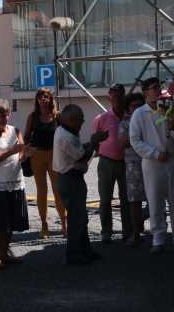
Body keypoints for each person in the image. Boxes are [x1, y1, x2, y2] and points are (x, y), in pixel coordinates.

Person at [53, 104, 108, 265]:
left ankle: (84, 250)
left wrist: (91, 143)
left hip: (70, 177)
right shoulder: (66, 137)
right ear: (71, 120)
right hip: (70, 178)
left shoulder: (63, 130)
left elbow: (80, 151)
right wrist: (94, 141)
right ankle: (75, 254)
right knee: (77, 218)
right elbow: (82, 156)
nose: (82, 122)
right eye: (81, 119)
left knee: (80, 217)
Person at [0, 99, 32, 269]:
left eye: (4, 116)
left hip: (15, 181)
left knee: (10, 222)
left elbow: (20, 155)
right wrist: (11, 151)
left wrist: (26, 154)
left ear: (9, 115)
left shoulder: (15, 131)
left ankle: (5, 254)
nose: (1, 119)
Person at [129, 77, 174, 254]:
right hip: (152, 163)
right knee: (155, 201)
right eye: (154, 88)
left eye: (159, 87)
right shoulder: (139, 114)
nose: (158, 90)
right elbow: (135, 140)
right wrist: (155, 153)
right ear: (145, 92)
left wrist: (171, 125)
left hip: (171, 160)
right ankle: (158, 238)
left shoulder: (170, 108)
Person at [24, 88, 66, 238]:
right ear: (37, 99)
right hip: (38, 156)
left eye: (47, 96)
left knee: (58, 190)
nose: (44, 99)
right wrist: (29, 149)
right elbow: (26, 136)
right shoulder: (33, 117)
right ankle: (44, 224)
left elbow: (65, 135)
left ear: (51, 99)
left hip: (55, 155)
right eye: (41, 96)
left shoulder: (57, 116)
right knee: (41, 191)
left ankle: (64, 223)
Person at [93, 83, 131, 243]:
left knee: (127, 199)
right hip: (106, 162)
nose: (116, 98)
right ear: (109, 98)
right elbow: (94, 140)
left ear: (123, 96)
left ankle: (128, 231)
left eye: (118, 95)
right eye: (113, 95)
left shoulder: (131, 117)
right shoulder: (101, 118)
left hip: (127, 162)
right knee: (105, 199)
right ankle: (106, 232)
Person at [118, 92, 146, 247]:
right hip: (133, 165)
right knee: (135, 200)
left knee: (157, 198)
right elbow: (122, 143)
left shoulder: (150, 120)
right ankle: (136, 233)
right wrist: (137, 133)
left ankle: (158, 233)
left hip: (152, 163)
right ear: (128, 108)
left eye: (140, 106)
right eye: (134, 106)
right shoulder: (124, 123)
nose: (137, 109)